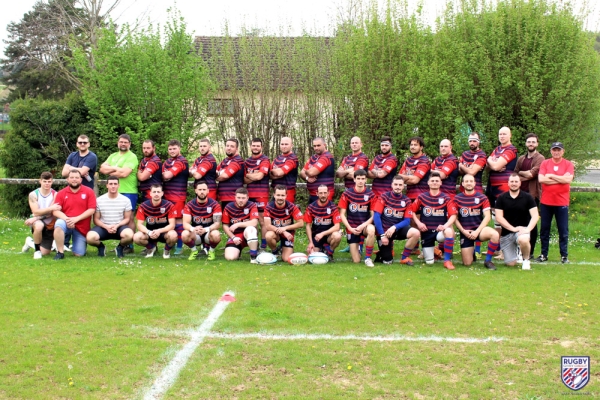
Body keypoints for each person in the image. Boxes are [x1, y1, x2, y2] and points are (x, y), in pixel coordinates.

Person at [100, 134, 139, 252]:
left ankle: (129, 245)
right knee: (117, 217)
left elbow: (124, 174)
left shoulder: (132, 157)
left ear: (129, 144)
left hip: (128, 191)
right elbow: (102, 169)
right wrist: (117, 169)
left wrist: (111, 170)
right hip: (114, 191)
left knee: (130, 218)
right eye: (121, 142)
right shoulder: (113, 155)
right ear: (118, 143)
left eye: (126, 142)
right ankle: (122, 242)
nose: (123, 144)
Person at [536, 142, 574, 263]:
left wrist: (551, 175)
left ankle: (564, 255)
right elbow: (541, 179)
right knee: (544, 229)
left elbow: (568, 180)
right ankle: (543, 254)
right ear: (551, 151)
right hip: (546, 202)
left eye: (559, 150)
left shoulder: (568, 164)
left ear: (563, 151)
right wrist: (561, 179)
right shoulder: (545, 163)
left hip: (562, 202)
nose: (556, 152)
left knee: (563, 230)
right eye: (554, 150)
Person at [411, 172, 457, 270]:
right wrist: (418, 223)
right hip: (426, 232)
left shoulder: (446, 198)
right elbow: (412, 211)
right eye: (432, 181)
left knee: (449, 231)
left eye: (437, 181)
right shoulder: (421, 197)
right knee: (429, 262)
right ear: (428, 183)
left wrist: (445, 226)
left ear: (441, 183)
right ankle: (434, 251)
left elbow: (453, 215)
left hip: (440, 231)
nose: (434, 183)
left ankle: (447, 261)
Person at [453, 174, 500, 269]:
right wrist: (463, 231)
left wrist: (477, 231)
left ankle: (488, 261)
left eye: (471, 181)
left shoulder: (482, 197)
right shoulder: (457, 198)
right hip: (465, 232)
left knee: (495, 234)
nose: (469, 183)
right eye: (466, 181)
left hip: (479, 230)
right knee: (467, 263)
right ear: (462, 184)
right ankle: (472, 252)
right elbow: (454, 218)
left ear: (474, 183)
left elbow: (487, 217)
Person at [372, 175, 421, 265]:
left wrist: (394, 227)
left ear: (403, 186)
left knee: (416, 233)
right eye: (396, 184)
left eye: (400, 185)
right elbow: (376, 216)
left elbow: (407, 221)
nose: (398, 187)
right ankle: (381, 253)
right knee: (387, 262)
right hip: (385, 231)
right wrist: (382, 235)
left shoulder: (407, 200)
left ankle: (404, 258)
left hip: (397, 229)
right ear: (392, 185)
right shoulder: (384, 197)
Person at [494, 173, 539, 270]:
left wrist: (527, 229)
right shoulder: (501, 198)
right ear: (508, 183)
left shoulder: (528, 197)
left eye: (516, 181)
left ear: (520, 183)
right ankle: (517, 251)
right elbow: (499, 217)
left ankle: (526, 260)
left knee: (523, 239)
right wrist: (513, 229)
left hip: (522, 231)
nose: (514, 184)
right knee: (510, 264)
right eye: (512, 182)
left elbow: (535, 215)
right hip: (507, 233)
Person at [52, 170, 97, 259]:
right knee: (59, 224)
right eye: (72, 177)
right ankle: (60, 252)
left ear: (81, 179)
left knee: (79, 254)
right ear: (68, 180)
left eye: (77, 177)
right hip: (66, 222)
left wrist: (76, 219)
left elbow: (91, 209)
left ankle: (73, 244)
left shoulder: (89, 191)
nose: (74, 180)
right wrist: (67, 219)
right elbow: (55, 211)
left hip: (81, 227)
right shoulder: (61, 193)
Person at [85, 176, 134, 258]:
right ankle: (101, 247)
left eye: (115, 184)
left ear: (119, 185)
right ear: (107, 185)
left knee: (129, 235)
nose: (113, 186)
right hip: (103, 227)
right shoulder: (99, 200)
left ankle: (120, 248)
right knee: (90, 238)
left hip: (119, 227)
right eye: (111, 184)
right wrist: (106, 227)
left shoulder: (126, 200)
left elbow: (127, 219)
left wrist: (117, 226)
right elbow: (96, 220)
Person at [339, 169, 377, 267]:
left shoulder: (371, 194)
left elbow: (374, 215)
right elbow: (342, 214)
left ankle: (368, 258)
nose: (360, 181)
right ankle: (359, 247)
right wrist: (350, 228)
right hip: (352, 228)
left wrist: (362, 226)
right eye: (358, 178)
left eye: (363, 179)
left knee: (371, 229)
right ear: (354, 179)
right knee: (356, 261)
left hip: (364, 226)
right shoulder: (347, 194)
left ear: (366, 180)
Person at [515, 133, 544, 259]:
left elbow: (532, 175)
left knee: (532, 223)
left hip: (533, 195)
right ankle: (520, 250)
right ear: (526, 143)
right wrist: (523, 174)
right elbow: (515, 175)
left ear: (537, 144)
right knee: (519, 221)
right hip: (520, 195)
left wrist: (523, 174)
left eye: (533, 142)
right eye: (529, 142)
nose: (531, 144)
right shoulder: (521, 158)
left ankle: (530, 251)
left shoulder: (540, 158)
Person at [133, 184, 178, 259]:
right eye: (154, 192)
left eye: (158, 192)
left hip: (164, 233)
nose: (156, 194)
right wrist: (149, 232)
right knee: (136, 237)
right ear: (150, 193)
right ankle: (151, 248)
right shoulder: (143, 206)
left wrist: (159, 231)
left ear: (162, 193)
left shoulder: (169, 205)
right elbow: (139, 225)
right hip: (150, 233)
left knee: (173, 236)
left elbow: (172, 225)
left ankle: (166, 251)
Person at [181, 181, 222, 261]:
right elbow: (185, 223)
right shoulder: (189, 205)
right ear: (196, 190)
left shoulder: (215, 204)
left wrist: (206, 229)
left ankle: (211, 251)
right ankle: (194, 251)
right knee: (184, 234)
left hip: (208, 233)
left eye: (204, 189)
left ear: (208, 191)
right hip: (196, 234)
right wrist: (193, 229)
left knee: (216, 234)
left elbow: (217, 224)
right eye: (200, 189)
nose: (202, 192)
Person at [263, 185, 305, 263]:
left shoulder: (292, 206)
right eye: (278, 195)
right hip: (275, 233)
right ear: (274, 195)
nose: (280, 197)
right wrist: (283, 231)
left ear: (286, 196)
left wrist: (285, 228)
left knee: (286, 259)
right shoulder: (268, 207)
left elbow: (301, 223)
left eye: (282, 195)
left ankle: (284, 248)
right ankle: (275, 251)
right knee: (268, 235)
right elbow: (267, 225)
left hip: (288, 234)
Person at [162, 139, 189, 255]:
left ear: (179, 148)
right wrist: (164, 175)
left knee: (178, 220)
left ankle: (179, 246)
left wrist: (164, 175)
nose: (172, 151)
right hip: (167, 195)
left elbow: (166, 175)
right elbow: (164, 176)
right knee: (169, 220)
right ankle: (171, 243)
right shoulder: (167, 162)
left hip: (178, 196)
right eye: (170, 149)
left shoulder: (182, 161)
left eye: (174, 148)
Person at [24, 171, 60, 259]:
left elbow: (51, 213)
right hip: (37, 221)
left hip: (49, 223)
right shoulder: (33, 194)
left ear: (52, 182)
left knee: (46, 252)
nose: (47, 184)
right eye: (44, 181)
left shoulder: (56, 194)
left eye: (49, 182)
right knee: (39, 226)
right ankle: (37, 251)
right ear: (40, 181)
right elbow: (36, 212)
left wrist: (35, 217)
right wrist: (50, 208)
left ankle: (30, 242)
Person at [244, 138, 271, 251]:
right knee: (251, 221)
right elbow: (244, 180)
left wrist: (251, 174)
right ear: (250, 146)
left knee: (262, 221)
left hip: (262, 194)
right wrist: (254, 174)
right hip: (249, 195)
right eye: (253, 145)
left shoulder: (265, 160)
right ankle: (254, 244)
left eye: (257, 146)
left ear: (261, 147)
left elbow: (260, 176)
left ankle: (264, 246)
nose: (255, 147)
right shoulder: (247, 162)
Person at [304, 185, 342, 261]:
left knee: (337, 236)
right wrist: (310, 242)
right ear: (317, 194)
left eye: (325, 193)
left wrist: (323, 233)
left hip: (329, 236)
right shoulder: (311, 207)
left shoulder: (333, 207)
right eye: (321, 193)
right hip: (316, 237)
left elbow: (337, 226)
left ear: (328, 193)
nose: (323, 195)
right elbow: (308, 226)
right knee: (311, 257)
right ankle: (322, 248)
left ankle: (329, 253)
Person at [222, 187, 260, 263]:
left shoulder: (252, 205)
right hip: (236, 236)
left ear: (247, 198)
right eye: (239, 198)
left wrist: (238, 224)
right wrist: (233, 237)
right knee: (230, 258)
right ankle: (237, 251)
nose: (241, 200)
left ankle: (253, 257)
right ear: (235, 197)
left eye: (243, 198)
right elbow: (225, 226)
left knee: (250, 229)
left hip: (248, 234)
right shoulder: (228, 207)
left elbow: (254, 222)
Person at [300, 137, 336, 205]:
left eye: (318, 145)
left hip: (324, 195)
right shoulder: (313, 157)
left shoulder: (327, 157)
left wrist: (307, 171)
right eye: (314, 146)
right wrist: (307, 178)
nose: (316, 148)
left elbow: (311, 172)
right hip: (313, 194)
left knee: (323, 215)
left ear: (324, 145)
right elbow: (301, 173)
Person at [399, 136, 431, 201]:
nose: (413, 147)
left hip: (422, 197)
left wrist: (405, 177)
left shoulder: (424, 160)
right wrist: (410, 177)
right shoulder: (408, 160)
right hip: (409, 197)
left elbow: (415, 180)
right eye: (411, 145)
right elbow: (399, 178)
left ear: (421, 147)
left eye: (415, 145)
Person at [216, 138, 246, 208]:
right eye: (227, 146)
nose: (229, 148)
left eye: (232, 146)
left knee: (234, 219)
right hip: (224, 197)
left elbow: (224, 176)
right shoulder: (225, 160)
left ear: (237, 149)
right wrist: (217, 174)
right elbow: (214, 171)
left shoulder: (237, 160)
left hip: (233, 198)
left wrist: (216, 175)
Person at [270, 136, 299, 203]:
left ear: (291, 145)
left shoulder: (293, 158)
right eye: (282, 144)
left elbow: (280, 173)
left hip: (288, 191)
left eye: (286, 144)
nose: (284, 146)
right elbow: (269, 175)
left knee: (287, 212)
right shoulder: (277, 158)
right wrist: (274, 173)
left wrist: (277, 173)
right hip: (276, 191)